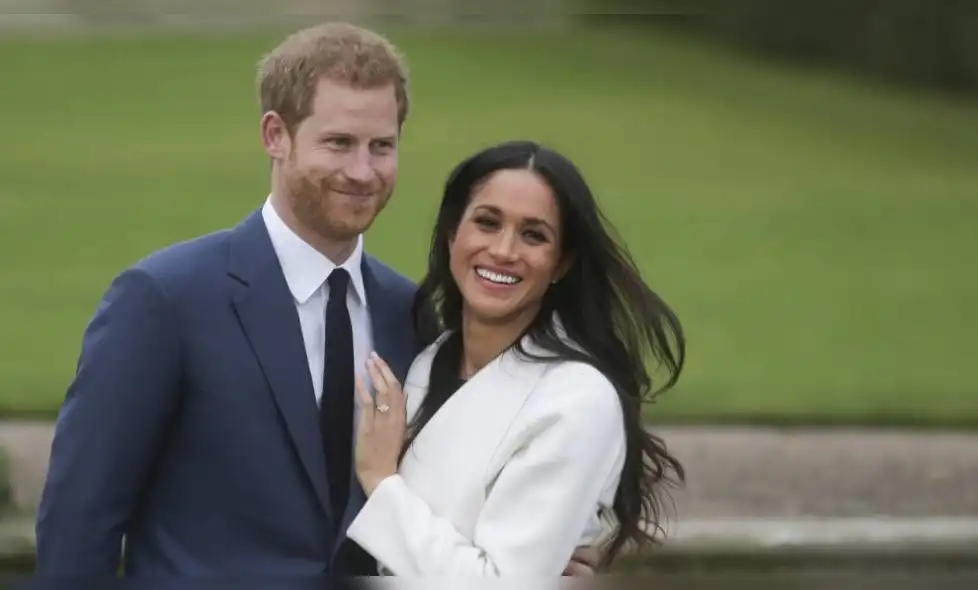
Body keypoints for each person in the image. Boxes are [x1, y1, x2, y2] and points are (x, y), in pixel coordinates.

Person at [33, 22, 600, 577]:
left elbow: (453, 486)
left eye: (382, 146)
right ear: (275, 135)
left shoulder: (415, 315)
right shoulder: (165, 299)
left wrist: (538, 544)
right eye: (339, 143)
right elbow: (79, 526)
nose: (362, 171)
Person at [339, 139, 687, 576]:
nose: (504, 250)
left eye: (533, 235)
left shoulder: (576, 400)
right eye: (487, 222)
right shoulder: (428, 361)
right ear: (453, 235)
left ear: (561, 263)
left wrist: (380, 481)